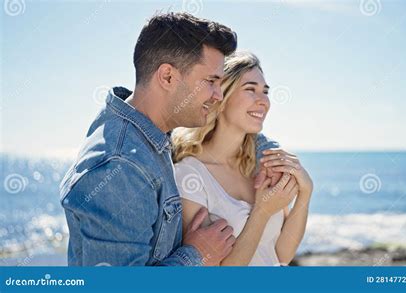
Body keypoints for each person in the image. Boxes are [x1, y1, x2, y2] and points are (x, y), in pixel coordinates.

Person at [59, 12, 279, 266]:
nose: (218, 95)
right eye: (211, 81)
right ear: (167, 77)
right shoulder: (120, 167)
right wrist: (196, 254)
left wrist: (267, 151)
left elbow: (230, 130)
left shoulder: (147, 129)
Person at [173, 51, 313, 266]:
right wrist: (262, 211)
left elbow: (281, 255)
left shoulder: (260, 166)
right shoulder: (189, 175)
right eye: (250, 90)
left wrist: (306, 192)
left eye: (265, 92)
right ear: (222, 96)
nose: (263, 101)